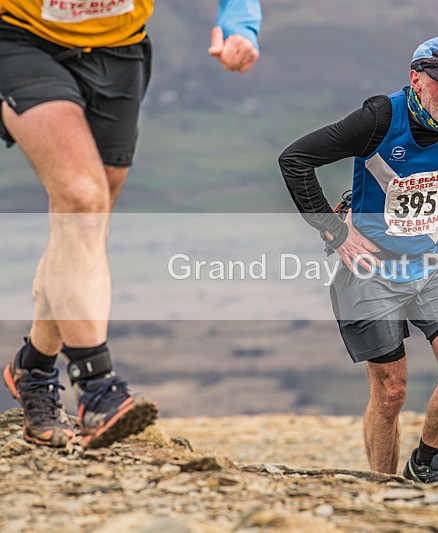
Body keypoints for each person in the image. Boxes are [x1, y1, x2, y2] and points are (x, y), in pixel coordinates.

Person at [1, 0, 261, 448]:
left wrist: (239, 24)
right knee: (83, 199)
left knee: (83, 223)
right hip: (21, 37)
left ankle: (35, 367)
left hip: (119, 48)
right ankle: (97, 386)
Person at [279, 37, 438, 482]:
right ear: (416, 80)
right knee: (390, 392)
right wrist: (333, 230)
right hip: (370, 269)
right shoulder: (379, 118)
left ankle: (425, 462)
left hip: (429, 260)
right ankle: (384, 495)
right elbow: (295, 160)